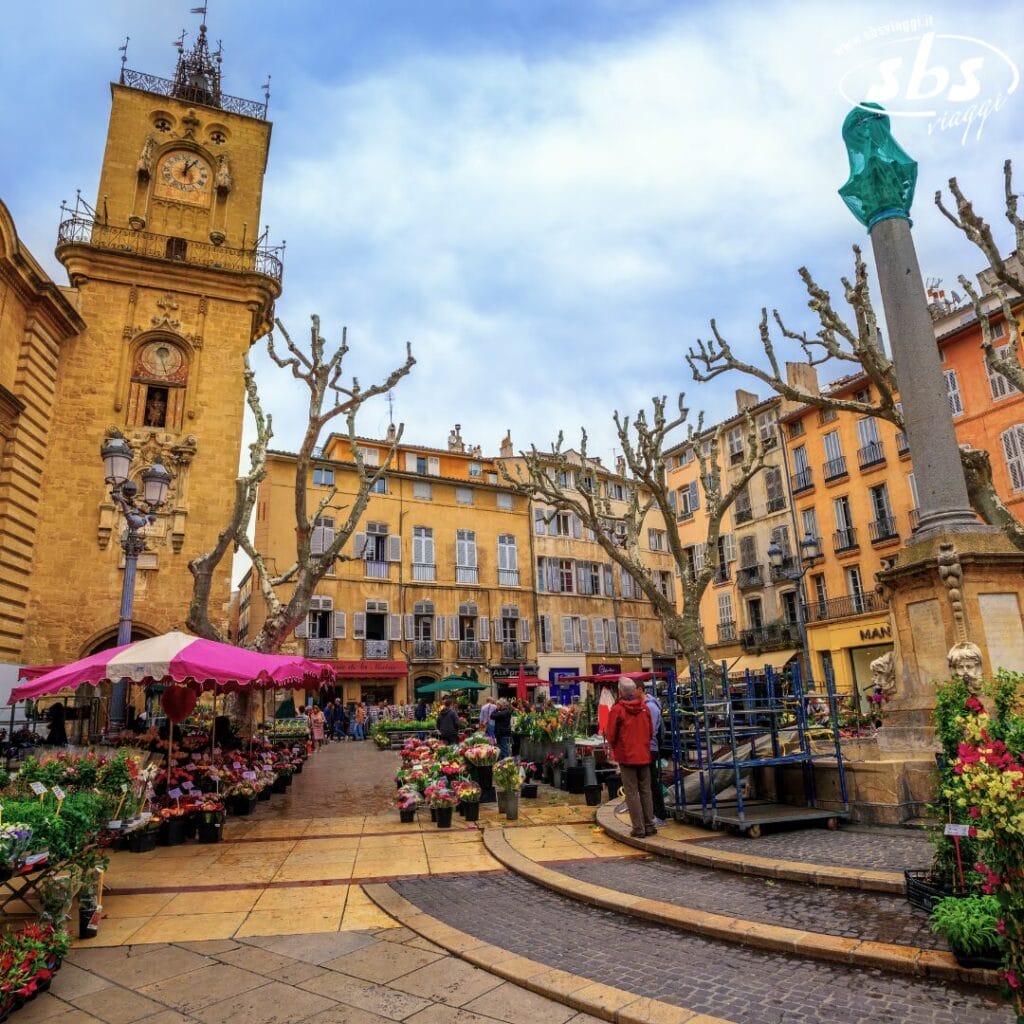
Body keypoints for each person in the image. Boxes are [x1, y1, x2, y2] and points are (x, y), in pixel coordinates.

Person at [605, 678, 656, 838]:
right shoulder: (644, 708)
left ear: (620, 691)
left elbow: (611, 734)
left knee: (632, 792)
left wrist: (615, 748)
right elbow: (650, 731)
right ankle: (650, 825)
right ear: (634, 691)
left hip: (627, 756)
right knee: (646, 791)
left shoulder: (618, 709)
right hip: (644, 754)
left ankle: (638, 828)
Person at [643, 688, 667, 825]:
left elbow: (650, 730)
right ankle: (655, 814)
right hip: (649, 747)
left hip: (650, 748)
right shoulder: (649, 705)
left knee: (652, 781)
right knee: (650, 781)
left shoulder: (650, 706)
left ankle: (660, 815)